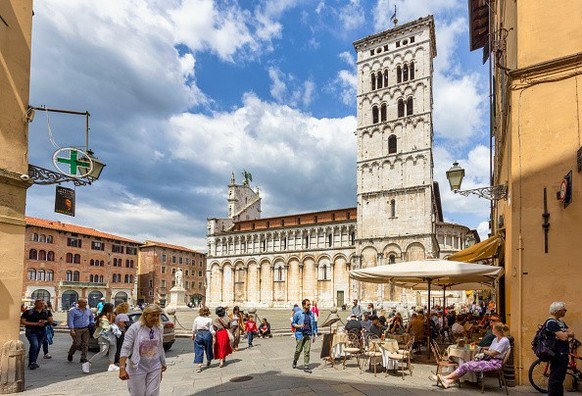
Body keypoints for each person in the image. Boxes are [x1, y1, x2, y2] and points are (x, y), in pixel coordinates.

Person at [438, 322, 511, 389]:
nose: (492, 330)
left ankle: (445, 378)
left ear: (497, 331)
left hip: (495, 363)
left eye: (493, 328)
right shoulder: (496, 339)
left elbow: (493, 353)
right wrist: (480, 347)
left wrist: (482, 350)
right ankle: (447, 381)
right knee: (466, 364)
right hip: (488, 360)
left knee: (465, 365)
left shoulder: (504, 341)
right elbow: (491, 348)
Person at [119, 304, 167, 396]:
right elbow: (125, 347)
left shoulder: (159, 328)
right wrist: (122, 368)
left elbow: (160, 346)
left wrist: (163, 363)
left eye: (157, 315)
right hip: (137, 366)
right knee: (138, 393)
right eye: (153, 315)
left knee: (153, 393)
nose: (155, 318)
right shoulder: (135, 328)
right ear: (145, 315)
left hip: (155, 364)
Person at [546, 302, 575, 396]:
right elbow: (564, 337)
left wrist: (564, 333)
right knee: (555, 378)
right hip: (557, 354)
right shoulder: (551, 323)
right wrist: (564, 334)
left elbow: (572, 333)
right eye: (564, 309)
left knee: (560, 378)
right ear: (558, 311)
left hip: (563, 353)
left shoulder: (561, 322)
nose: (566, 311)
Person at [83, 302, 118, 373]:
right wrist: (113, 325)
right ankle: (88, 363)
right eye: (112, 308)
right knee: (103, 351)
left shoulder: (110, 315)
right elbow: (106, 327)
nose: (113, 309)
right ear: (108, 309)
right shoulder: (102, 317)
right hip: (103, 336)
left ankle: (111, 365)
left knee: (113, 349)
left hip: (111, 336)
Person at [20, 299, 53, 369]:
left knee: (37, 346)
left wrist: (45, 321)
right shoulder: (28, 312)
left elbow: (50, 320)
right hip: (31, 331)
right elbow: (22, 321)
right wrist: (35, 324)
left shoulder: (46, 312)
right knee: (35, 345)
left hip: (42, 331)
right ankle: (32, 362)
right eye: (40, 303)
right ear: (35, 304)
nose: (42, 305)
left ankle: (33, 362)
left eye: (43, 303)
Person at [291, 298, 316, 373]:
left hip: (308, 334)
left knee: (307, 351)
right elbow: (293, 323)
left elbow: (313, 325)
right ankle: (295, 360)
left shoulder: (311, 314)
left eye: (309, 304)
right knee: (298, 350)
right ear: (304, 305)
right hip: (300, 334)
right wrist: (299, 326)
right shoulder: (298, 314)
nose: (309, 306)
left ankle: (306, 366)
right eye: (308, 305)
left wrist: (314, 334)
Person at [67, 297, 95, 363]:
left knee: (85, 344)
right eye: (84, 302)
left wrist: (92, 323)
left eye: (86, 302)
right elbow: (70, 320)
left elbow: (91, 318)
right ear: (79, 303)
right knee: (77, 343)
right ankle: (71, 353)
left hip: (86, 329)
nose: (85, 303)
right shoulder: (73, 311)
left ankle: (83, 357)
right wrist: (72, 329)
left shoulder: (88, 310)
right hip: (77, 329)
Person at [192, 306, 215, 373]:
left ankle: (199, 365)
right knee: (208, 348)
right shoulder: (209, 319)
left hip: (199, 334)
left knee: (198, 349)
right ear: (208, 312)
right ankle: (209, 359)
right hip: (207, 334)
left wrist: (193, 335)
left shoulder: (197, 319)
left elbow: (194, 328)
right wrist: (214, 337)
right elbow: (211, 330)